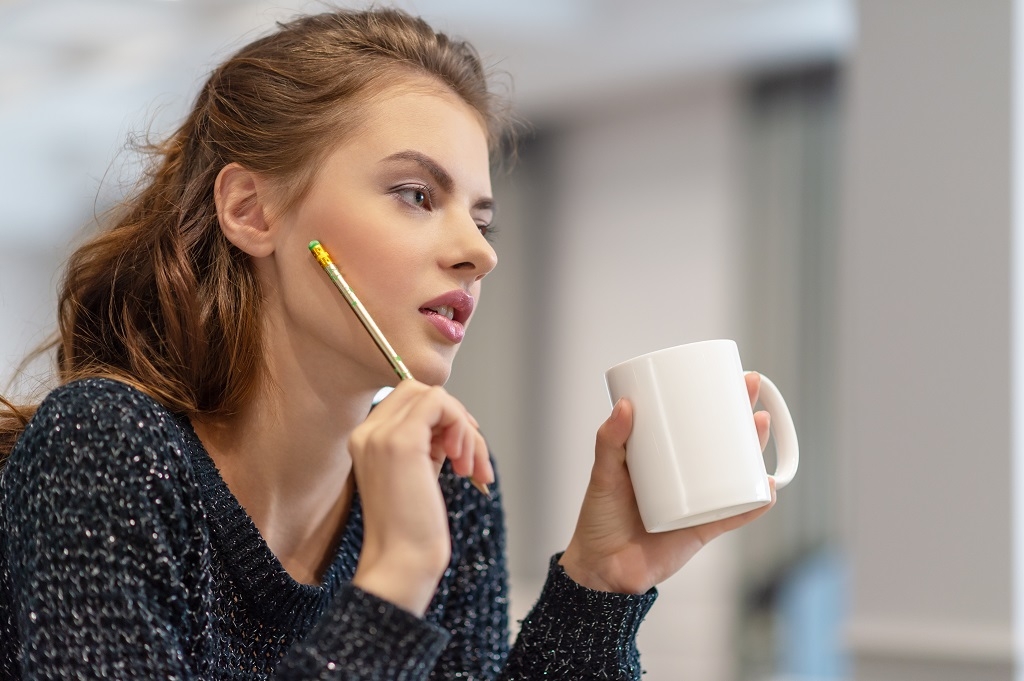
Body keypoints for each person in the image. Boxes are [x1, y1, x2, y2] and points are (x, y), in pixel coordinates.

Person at [0, 7, 776, 680]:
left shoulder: (445, 490)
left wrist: (602, 584)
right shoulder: (103, 446)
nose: (480, 252)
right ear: (251, 211)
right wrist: (396, 578)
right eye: (416, 195)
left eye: (481, 217)